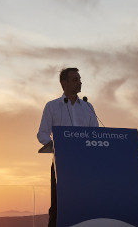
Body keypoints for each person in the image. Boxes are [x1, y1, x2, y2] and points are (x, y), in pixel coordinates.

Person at [37, 67, 99, 227]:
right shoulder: (52, 106)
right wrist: (54, 146)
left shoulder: (88, 107)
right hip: (61, 164)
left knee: (85, 205)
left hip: (86, 164)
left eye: (80, 79)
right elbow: (42, 134)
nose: (80, 82)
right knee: (59, 207)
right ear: (64, 83)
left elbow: (95, 134)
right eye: (75, 80)